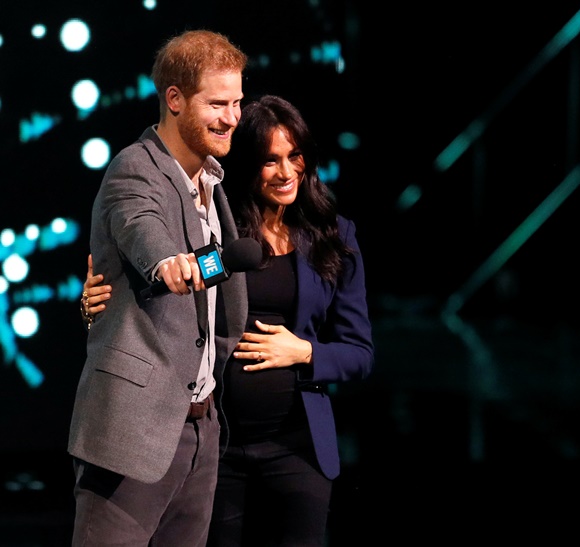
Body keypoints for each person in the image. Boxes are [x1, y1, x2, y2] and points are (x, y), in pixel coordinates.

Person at [80, 94, 375, 546]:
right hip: (219, 448)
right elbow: (159, 283)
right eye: (270, 160)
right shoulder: (218, 229)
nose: (286, 172)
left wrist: (305, 351)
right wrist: (96, 301)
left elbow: (359, 354)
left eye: (294, 156)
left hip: (296, 449)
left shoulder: (334, 236)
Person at [69, 29, 249, 546]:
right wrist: (169, 263)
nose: (231, 118)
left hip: (200, 430)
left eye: (237, 102)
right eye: (217, 104)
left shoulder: (211, 183)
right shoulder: (134, 169)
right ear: (174, 99)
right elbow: (143, 229)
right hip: (132, 434)